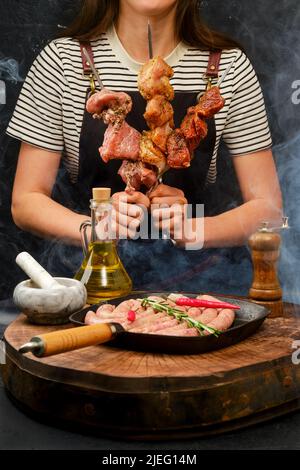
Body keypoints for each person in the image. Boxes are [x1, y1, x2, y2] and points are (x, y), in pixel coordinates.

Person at [6, 0, 282, 294]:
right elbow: (25, 201)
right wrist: (97, 228)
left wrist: (193, 230)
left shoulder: (229, 66)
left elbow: (269, 209)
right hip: (91, 286)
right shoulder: (63, 61)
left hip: (199, 287)